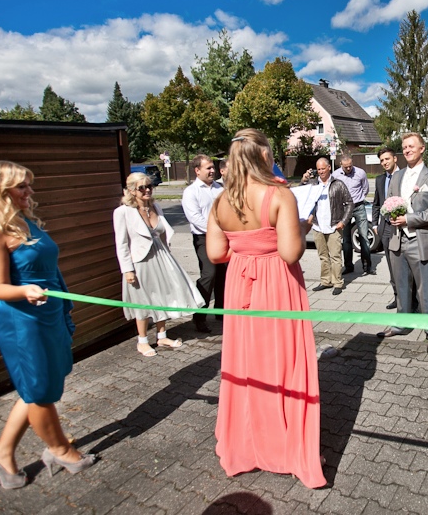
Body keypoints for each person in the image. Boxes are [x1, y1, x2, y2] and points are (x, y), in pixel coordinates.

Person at [206, 129, 326, 489]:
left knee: (246, 363)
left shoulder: (220, 201)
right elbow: (290, 252)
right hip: (277, 283)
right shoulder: (279, 195)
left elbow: (216, 255)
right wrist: (301, 227)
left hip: (241, 281)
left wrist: (245, 250)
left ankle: (248, 444)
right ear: (263, 156)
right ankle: (288, 447)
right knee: (284, 361)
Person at [0, 161, 96, 490]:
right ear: (0, 190)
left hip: (48, 313)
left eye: (29, 184)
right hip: (22, 322)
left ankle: (1, 453)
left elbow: (49, 269)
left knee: (38, 387)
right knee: (39, 392)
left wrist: (63, 305)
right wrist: (25, 290)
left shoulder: (26, 222)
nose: (30, 191)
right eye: (22, 186)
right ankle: (59, 450)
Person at [113, 173, 203, 356]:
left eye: (149, 186)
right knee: (142, 301)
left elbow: (162, 233)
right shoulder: (122, 212)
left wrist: (168, 254)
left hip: (161, 257)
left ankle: (162, 335)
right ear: (131, 190)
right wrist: (127, 270)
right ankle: (142, 341)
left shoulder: (155, 206)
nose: (147, 190)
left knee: (163, 296)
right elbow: (121, 244)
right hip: (140, 262)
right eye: (141, 188)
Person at [377, 132, 428, 353]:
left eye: (411, 146)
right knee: (401, 285)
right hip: (398, 239)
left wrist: (409, 219)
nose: (407, 150)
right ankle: (402, 322)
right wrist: (390, 215)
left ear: (422, 148)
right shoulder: (396, 177)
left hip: (420, 239)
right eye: (404, 147)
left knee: (425, 288)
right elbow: (387, 203)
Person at [182, 154, 225, 333]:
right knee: (209, 274)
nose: (212, 171)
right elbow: (195, 218)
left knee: (223, 274)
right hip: (204, 238)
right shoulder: (191, 192)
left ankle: (221, 311)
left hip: (223, 237)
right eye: (208, 168)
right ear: (197, 171)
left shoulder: (219, 189)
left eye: (213, 167)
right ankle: (199, 316)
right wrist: (217, 230)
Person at [302, 158, 353, 296]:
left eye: (323, 169)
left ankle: (337, 283)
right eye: (318, 169)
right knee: (323, 256)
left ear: (329, 167)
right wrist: (304, 180)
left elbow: (349, 203)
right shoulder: (314, 184)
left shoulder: (338, 184)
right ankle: (326, 281)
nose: (321, 172)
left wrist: (343, 221)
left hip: (334, 226)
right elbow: (302, 194)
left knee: (335, 256)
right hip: (318, 226)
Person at [332, 154, 372, 275]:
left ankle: (367, 265)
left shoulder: (360, 173)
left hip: (359, 206)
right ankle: (349, 266)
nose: (349, 169)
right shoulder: (335, 175)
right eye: (346, 167)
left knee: (364, 236)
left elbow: (365, 189)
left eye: (350, 166)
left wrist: (359, 199)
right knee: (346, 239)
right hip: (344, 209)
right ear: (341, 165)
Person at [371, 147, 400, 309]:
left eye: (387, 159)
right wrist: (375, 224)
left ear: (395, 159)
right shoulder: (380, 180)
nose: (384, 163)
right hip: (386, 229)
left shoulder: (404, 176)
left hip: (403, 227)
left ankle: (412, 300)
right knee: (392, 266)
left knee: (405, 266)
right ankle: (397, 297)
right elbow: (376, 203)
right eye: (382, 160)